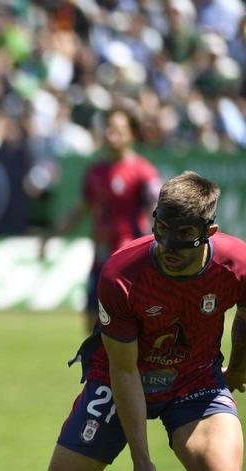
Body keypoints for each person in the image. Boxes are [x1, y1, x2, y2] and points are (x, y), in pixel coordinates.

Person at [9, 171, 245, 471]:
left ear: (209, 232)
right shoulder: (121, 273)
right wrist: (141, 457)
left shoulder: (237, 264)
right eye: (162, 231)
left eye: (183, 236)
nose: (169, 246)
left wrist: (237, 369)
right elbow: (124, 371)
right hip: (120, 379)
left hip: (194, 380)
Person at [41, 110, 161, 332]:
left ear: (132, 134)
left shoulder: (143, 172)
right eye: (108, 129)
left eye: (118, 131)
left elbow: (157, 210)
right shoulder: (95, 172)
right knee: (92, 325)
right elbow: (80, 210)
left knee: (130, 327)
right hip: (101, 260)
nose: (111, 135)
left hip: (130, 263)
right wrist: (51, 235)